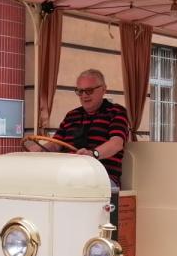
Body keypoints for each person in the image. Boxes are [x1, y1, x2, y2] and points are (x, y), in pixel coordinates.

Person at [25, 69, 130, 205]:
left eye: (89, 91)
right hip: (68, 176)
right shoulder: (71, 116)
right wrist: (39, 149)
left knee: (71, 189)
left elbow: (116, 143)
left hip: (102, 178)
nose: (84, 96)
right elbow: (56, 144)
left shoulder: (116, 112)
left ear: (103, 90)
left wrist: (93, 154)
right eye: (80, 92)